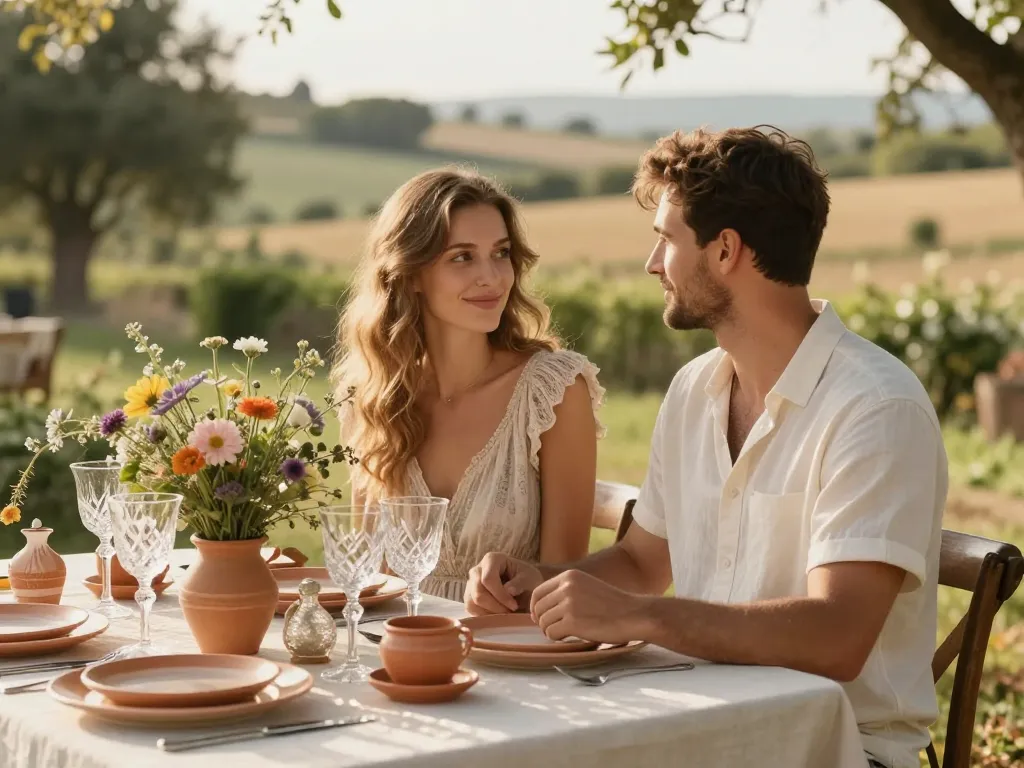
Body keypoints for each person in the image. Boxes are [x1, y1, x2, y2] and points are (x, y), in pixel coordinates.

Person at [465, 126, 947, 768]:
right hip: (701, 725)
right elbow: (641, 562)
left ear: (725, 251)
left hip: (835, 749)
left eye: (666, 238)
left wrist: (644, 619)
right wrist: (544, 584)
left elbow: (838, 636)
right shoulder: (695, 389)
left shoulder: (875, 408)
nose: (652, 263)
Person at [331, 168, 605, 604]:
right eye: (462, 257)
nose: (492, 278)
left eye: (500, 253)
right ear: (411, 274)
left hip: (512, 654)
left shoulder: (552, 392)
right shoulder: (375, 398)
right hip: (395, 649)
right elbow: (367, 579)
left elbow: (561, 585)